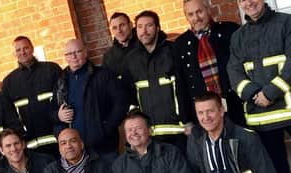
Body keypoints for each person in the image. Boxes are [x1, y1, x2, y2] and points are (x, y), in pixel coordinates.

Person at [227, 0, 291, 173]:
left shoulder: (286, 22)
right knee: (276, 168)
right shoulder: (238, 37)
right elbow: (233, 73)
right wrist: (255, 94)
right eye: (243, 0)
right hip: (261, 116)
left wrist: (271, 93)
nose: (249, 2)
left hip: (287, 107)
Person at [122, 10, 192, 152]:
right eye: (140, 27)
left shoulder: (173, 51)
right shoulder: (131, 60)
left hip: (179, 132)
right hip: (148, 135)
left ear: (158, 28)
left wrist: (188, 121)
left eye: (149, 26)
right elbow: (129, 95)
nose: (144, 31)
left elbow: (184, 88)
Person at [54, 38, 129, 164]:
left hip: (104, 148)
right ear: (65, 57)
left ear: (85, 52)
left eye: (77, 51)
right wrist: (58, 116)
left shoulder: (103, 75)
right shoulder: (61, 81)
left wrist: (106, 128)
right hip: (76, 151)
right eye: (69, 54)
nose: (73, 56)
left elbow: (121, 103)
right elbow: (51, 111)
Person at [173, 0, 243, 126]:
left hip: (236, 106)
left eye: (199, 12)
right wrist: (187, 120)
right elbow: (181, 84)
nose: (196, 18)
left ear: (208, 10)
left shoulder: (230, 31)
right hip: (204, 114)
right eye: (191, 14)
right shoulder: (180, 44)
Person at [1, 36, 62, 156]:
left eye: (25, 48)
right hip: (30, 146)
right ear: (14, 54)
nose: (22, 52)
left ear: (32, 48)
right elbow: (8, 115)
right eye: (18, 50)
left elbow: (63, 99)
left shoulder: (51, 69)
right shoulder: (9, 82)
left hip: (58, 139)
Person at [102, 12, 139, 78]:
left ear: (130, 25)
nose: (119, 30)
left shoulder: (145, 45)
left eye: (122, 25)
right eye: (114, 28)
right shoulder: (108, 57)